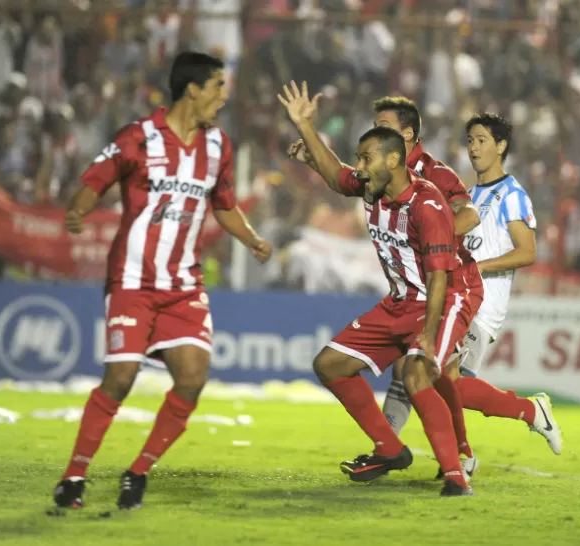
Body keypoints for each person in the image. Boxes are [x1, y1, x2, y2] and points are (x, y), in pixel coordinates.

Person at [52, 52, 273, 511]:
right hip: (132, 280)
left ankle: (138, 471)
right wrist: (78, 209)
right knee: (120, 377)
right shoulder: (139, 137)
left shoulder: (218, 147)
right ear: (192, 89)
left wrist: (251, 240)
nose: (224, 96)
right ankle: (74, 476)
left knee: (193, 378)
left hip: (184, 284)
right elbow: (97, 178)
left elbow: (224, 204)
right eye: (218, 86)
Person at [279, 80, 477, 496]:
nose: (360, 167)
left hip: (438, 299)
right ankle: (390, 448)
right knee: (329, 365)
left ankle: (457, 474)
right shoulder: (372, 188)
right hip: (398, 302)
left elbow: (439, 274)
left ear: (395, 156)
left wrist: (427, 331)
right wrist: (306, 127)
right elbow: (336, 175)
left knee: (419, 372)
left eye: (366, 158)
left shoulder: (428, 202)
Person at [386, 113, 564, 481]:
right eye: (470, 140)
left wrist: (479, 268)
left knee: (434, 375)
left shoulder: (512, 194)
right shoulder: (472, 195)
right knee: (438, 378)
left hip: (483, 305)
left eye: (482, 140)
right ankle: (466, 451)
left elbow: (527, 251)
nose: (473, 147)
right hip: (460, 298)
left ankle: (527, 415)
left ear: (501, 146)